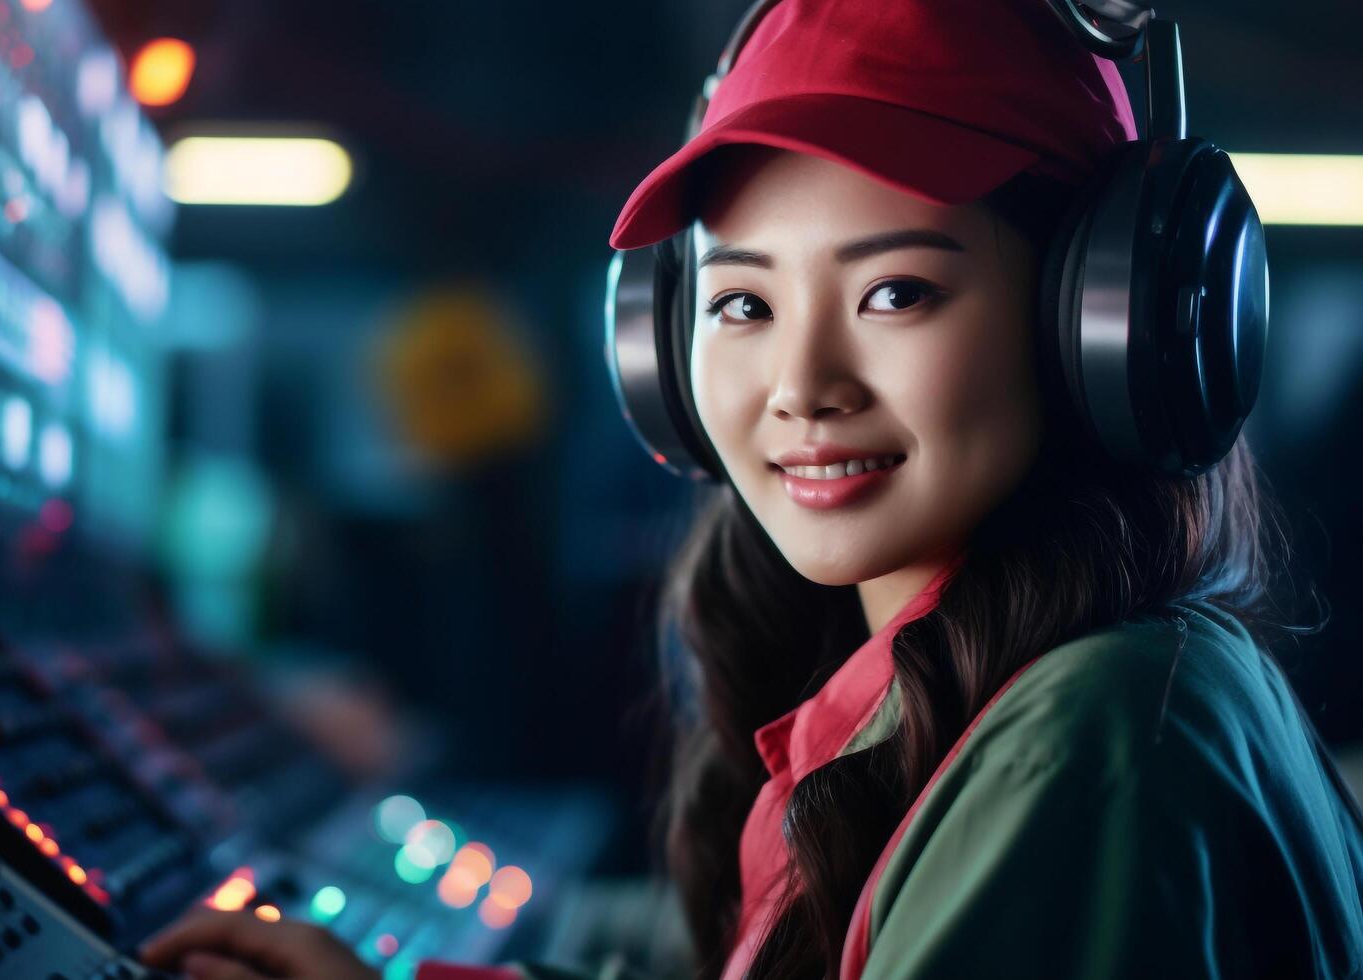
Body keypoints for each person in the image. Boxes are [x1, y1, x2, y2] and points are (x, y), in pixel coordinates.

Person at [139, 1, 1363, 977]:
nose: (801, 384)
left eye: (897, 292)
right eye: (743, 304)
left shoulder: (1094, 737)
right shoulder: (956, 683)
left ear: (1102, 326)